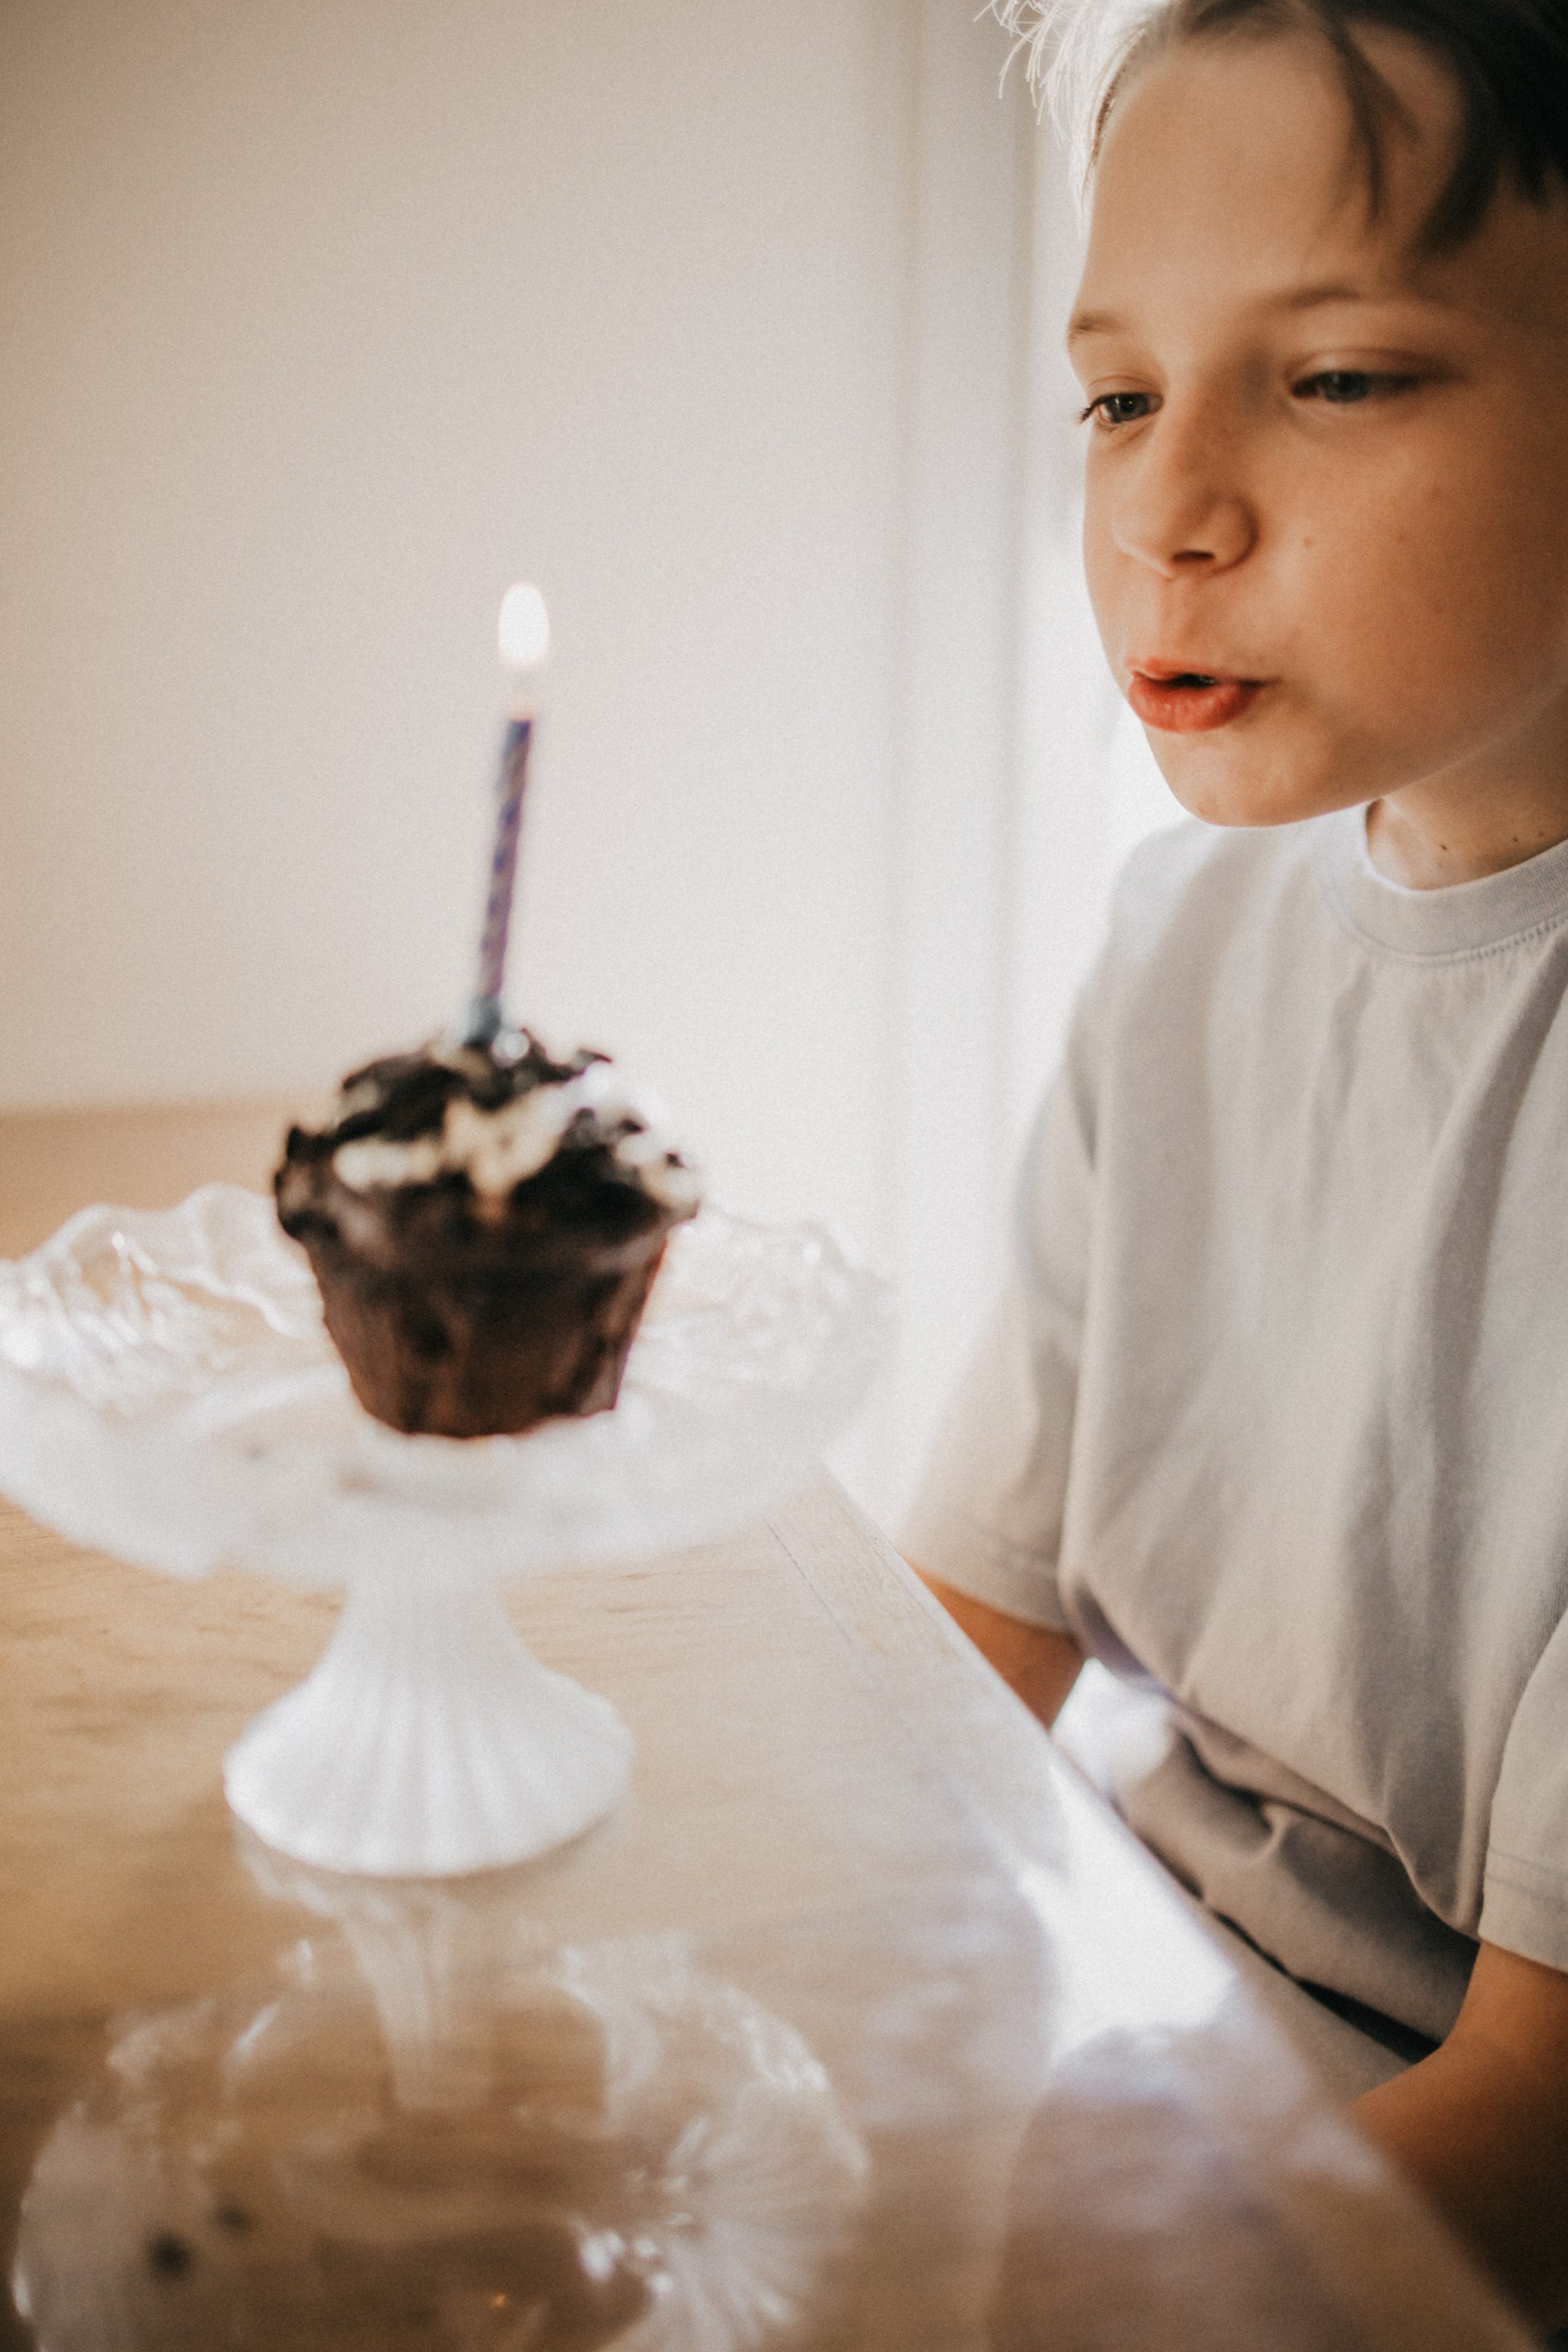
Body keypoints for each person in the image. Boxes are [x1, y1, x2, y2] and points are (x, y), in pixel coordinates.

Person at [902, 0, 1568, 2331]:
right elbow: (957, 1676)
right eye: (1116, 394)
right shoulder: (1186, 936)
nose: (1165, 510)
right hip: (1128, 2002)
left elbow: (1533, 2122)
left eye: (1339, 378)